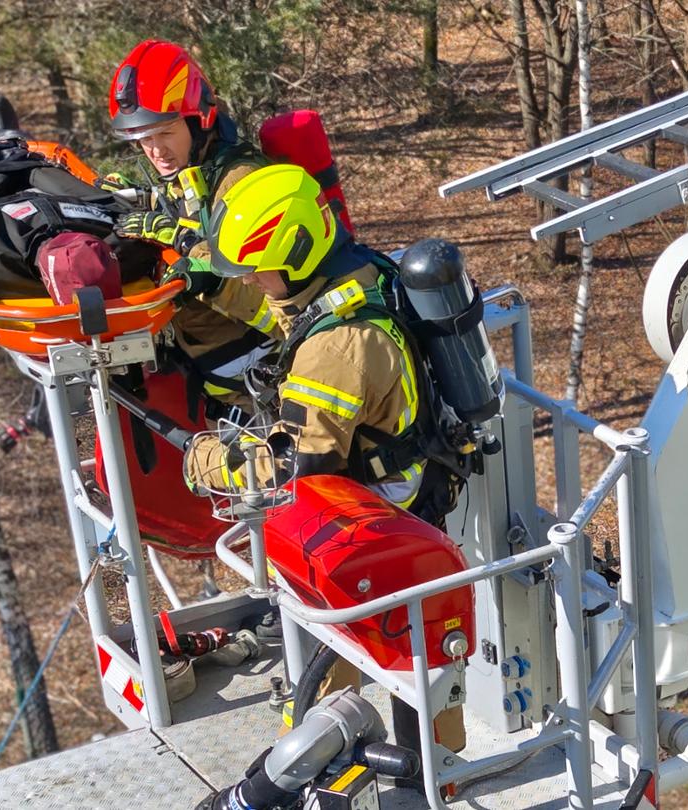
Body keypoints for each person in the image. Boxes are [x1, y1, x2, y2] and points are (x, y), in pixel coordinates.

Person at [180, 163, 463, 751]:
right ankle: (441, 757)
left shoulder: (334, 352)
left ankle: (321, 747)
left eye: (257, 270)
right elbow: (285, 315)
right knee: (420, 658)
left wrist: (206, 460)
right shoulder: (356, 273)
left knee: (331, 648)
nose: (253, 281)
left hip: (375, 520)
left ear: (296, 255)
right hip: (420, 487)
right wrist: (213, 281)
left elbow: (293, 471)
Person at [107, 39, 278, 405]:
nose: (156, 150)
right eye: (143, 138)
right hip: (210, 380)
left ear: (198, 120)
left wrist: (186, 246)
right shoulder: (192, 172)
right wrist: (142, 199)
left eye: (166, 132)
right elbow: (190, 210)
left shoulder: (241, 182)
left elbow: (276, 305)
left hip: (265, 385)